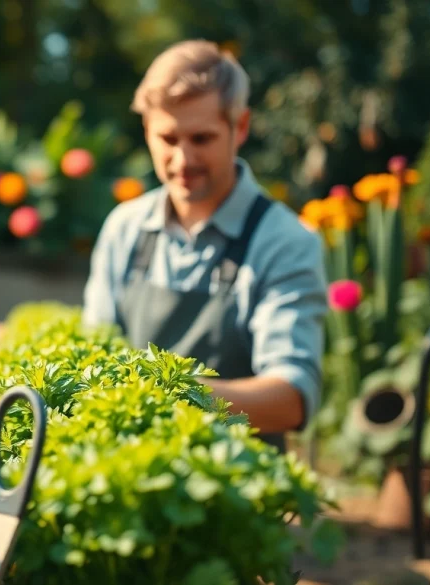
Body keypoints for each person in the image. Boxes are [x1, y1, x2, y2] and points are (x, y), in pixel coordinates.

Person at [81, 39, 328, 451]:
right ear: (147, 131)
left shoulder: (285, 242)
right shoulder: (124, 228)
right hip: (129, 468)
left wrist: (164, 396)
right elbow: (94, 353)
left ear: (241, 127)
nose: (182, 159)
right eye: (168, 138)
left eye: (201, 138)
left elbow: (291, 399)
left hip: (238, 483)